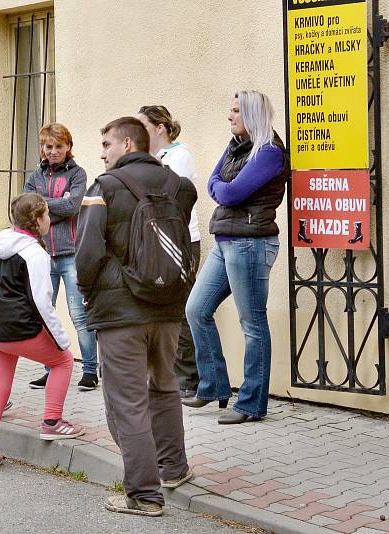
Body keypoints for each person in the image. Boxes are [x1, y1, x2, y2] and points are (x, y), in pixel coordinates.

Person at [76, 117, 197, 517]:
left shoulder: (105, 188)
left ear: (128, 144)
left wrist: (89, 292)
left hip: (121, 313)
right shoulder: (177, 184)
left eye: (107, 143)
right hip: (168, 309)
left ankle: (144, 495)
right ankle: (174, 469)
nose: (102, 152)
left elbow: (88, 253)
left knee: (128, 401)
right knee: (164, 388)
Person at [183, 90, 289, 425]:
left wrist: (222, 191)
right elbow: (212, 183)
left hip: (251, 245)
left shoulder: (269, 152)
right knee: (196, 309)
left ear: (252, 115)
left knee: (252, 323)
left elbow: (228, 191)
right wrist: (221, 190)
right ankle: (214, 385)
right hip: (226, 241)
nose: (229, 116)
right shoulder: (235, 148)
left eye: (235, 111)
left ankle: (251, 404)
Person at [0, 192, 85, 471]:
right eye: (47, 214)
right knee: (63, 361)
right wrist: (61, 339)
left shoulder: (1, 245)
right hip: (19, 330)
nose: (50, 219)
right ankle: (52, 422)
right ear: (37, 220)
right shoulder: (34, 253)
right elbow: (41, 302)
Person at [24, 123, 99, 392]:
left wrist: (43, 206)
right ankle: (51, 368)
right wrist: (56, 205)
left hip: (70, 256)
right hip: (42, 255)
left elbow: (72, 206)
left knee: (80, 314)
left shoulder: (78, 174)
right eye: (49, 146)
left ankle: (90, 370)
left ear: (68, 146)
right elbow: (27, 208)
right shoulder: (35, 176)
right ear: (42, 149)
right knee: (44, 314)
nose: (53, 151)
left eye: (59, 146)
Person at [136, 106, 201, 399]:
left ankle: (188, 377)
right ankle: (167, 373)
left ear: (160, 128)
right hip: (156, 239)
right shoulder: (155, 158)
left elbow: (166, 192)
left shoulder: (179, 156)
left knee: (181, 308)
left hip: (181, 240)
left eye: (143, 126)